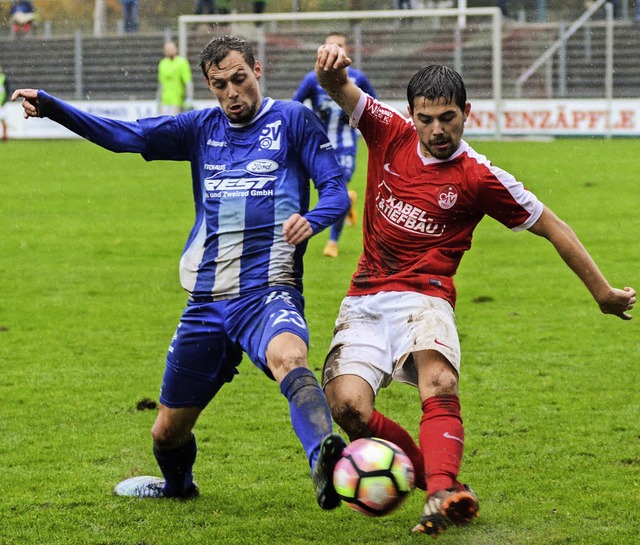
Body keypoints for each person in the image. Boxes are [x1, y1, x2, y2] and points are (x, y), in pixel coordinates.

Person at [12, 34, 351, 509]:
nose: (232, 92)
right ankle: (177, 487)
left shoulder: (294, 120)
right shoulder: (200, 128)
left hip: (267, 290)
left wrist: (311, 220)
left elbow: (336, 191)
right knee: (167, 433)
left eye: (239, 78)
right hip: (208, 301)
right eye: (219, 85)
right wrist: (52, 107)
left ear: (258, 69)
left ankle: (325, 461)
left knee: (289, 357)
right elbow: (124, 136)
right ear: (209, 86)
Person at [314, 44, 636, 536]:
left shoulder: (480, 176)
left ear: (467, 113)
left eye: (448, 117)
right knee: (349, 410)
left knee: (438, 383)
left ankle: (441, 489)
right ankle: (442, 487)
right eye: (427, 119)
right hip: (364, 300)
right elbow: (340, 88)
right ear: (411, 115)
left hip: (427, 297)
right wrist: (330, 66)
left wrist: (603, 293)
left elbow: (553, 226)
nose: (438, 130)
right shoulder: (386, 130)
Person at [292, 32, 376, 258]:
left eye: (339, 45)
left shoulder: (358, 79)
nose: (334, 49)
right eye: (329, 46)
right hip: (321, 146)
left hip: (347, 145)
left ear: (346, 49)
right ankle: (348, 201)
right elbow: (294, 106)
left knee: (336, 192)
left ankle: (333, 242)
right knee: (332, 194)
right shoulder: (312, 79)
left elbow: (375, 109)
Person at [157, 40, 193, 115]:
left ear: (176, 49)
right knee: (163, 124)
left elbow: (188, 81)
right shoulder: (162, 63)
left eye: (171, 48)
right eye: (167, 49)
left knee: (174, 124)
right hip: (165, 101)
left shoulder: (182, 62)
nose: (169, 51)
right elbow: (161, 83)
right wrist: (158, 98)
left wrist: (189, 97)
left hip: (177, 101)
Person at [0, 64, 9, 141]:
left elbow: (7, 91)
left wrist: (4, 101)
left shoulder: (4, 78)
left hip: (1, 104)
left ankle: (5, 136)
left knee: (3, 119)